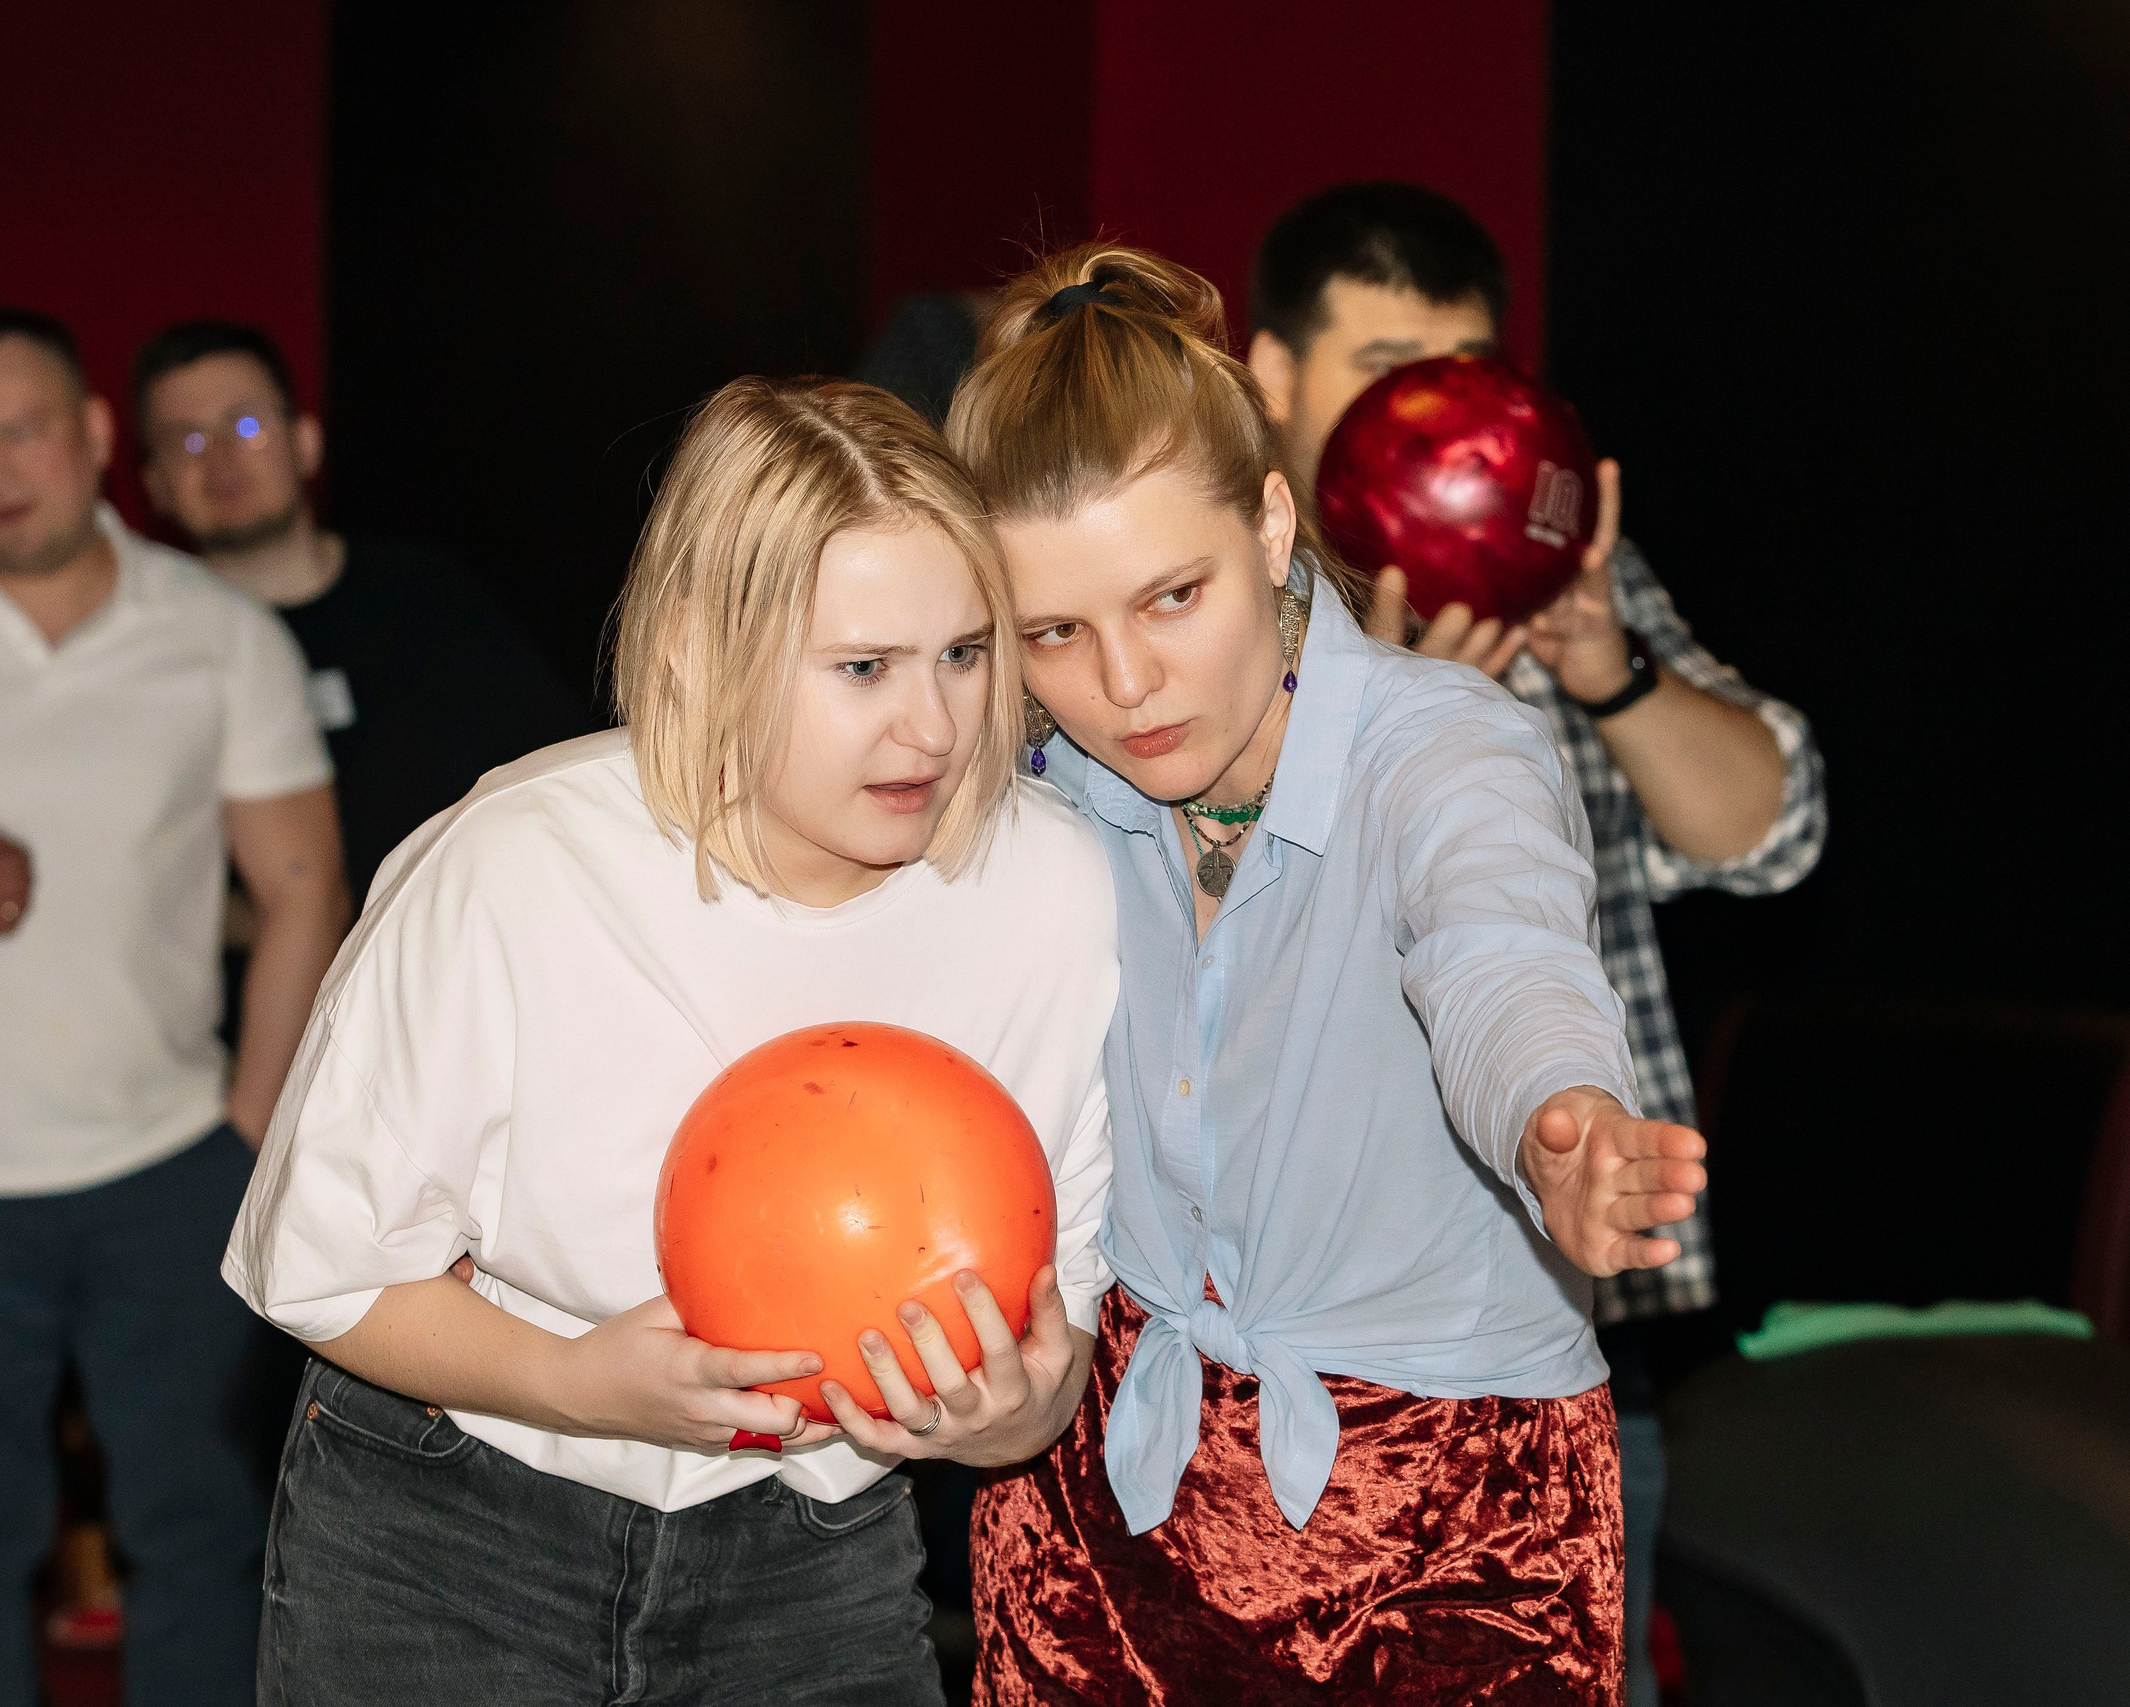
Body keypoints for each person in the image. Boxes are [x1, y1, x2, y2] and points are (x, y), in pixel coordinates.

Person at [224, 377, 1118, 1704]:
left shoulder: (1054, 891)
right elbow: (322, 1266)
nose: (931, 727)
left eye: (966, 652)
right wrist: (580, 1379)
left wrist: (1016, 1410)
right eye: (863, 666)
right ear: (703, 642)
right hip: (449, 1533)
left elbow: (1060, 1328)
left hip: (812, 1557)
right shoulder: (516, 860)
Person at [949, 244, 1711, 1705]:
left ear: (1274, 520)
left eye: (1174, 595)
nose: (1126, 684)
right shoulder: (1038, 786)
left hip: (1442, 1520)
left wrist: (1558, 1109)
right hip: (1108, 1501)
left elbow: (1500, 949)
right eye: (1054, 629)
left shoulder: (1442, 743)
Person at [1245, 181, 1828, 1707]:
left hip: (1560, 1303)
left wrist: (1602, 666)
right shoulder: (1223, 602)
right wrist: (1387, 710)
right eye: (1385, 370)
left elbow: (1770, 829)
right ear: (1273, 379)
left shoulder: (1557, 571)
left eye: (1466, 375)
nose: (1435, 421)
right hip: (1292, 1332)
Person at [0, 308, 349, 1707]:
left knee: (200, 1544)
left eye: (20, 430)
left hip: (170, 1168)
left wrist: (247, 1131)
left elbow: (304, 888)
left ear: (95, 436)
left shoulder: (215, 634)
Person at [133, 319, 592, 905]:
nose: (219, 457)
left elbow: (558, 770)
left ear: (306, 443)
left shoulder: (427, 599)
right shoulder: (141, 645)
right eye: (186, 441)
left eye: (246, 425)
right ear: (155, 484)